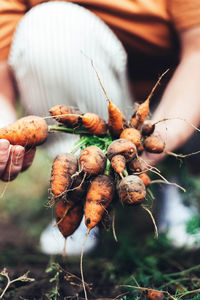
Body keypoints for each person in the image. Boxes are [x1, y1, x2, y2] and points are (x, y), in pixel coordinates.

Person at [0, 0, 200, 251]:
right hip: (88, 102)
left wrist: (164, 133)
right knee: (50, 24)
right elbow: (1, 76)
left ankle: (173, 176)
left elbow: (198, 53)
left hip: (167, 105)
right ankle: (80, 186)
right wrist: (5, 138)